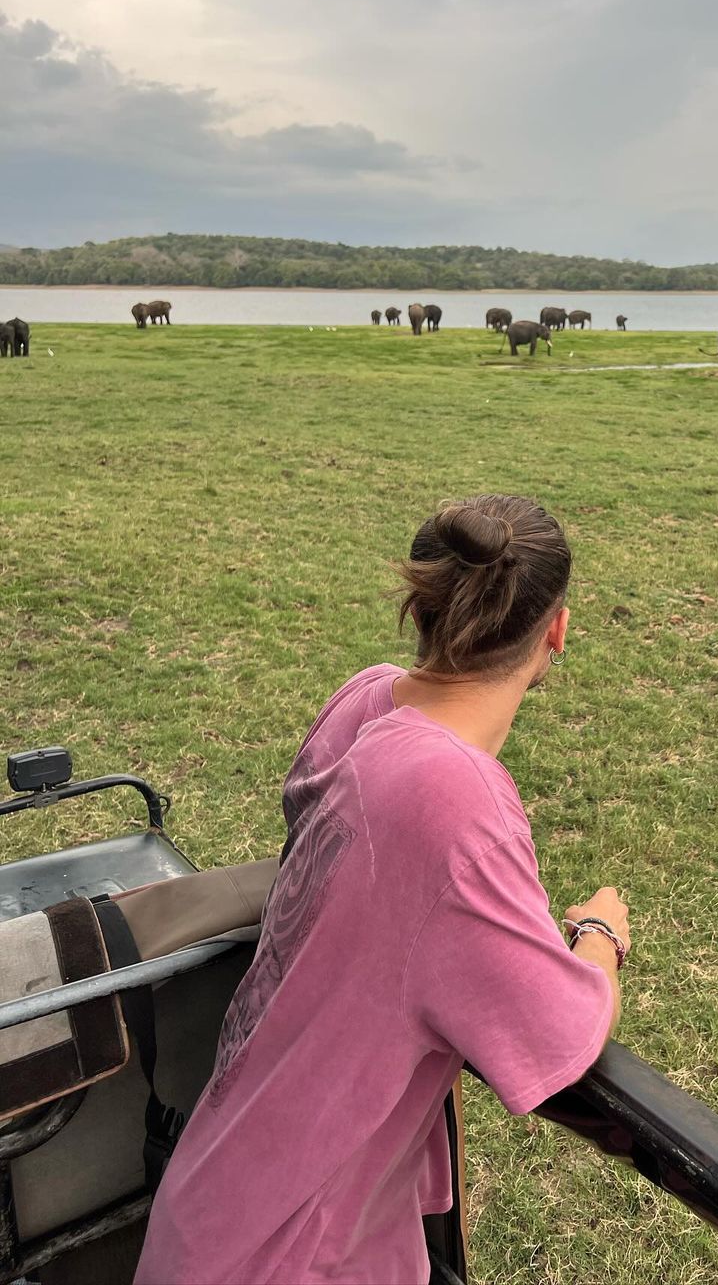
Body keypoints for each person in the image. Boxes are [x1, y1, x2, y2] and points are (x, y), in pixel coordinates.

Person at [135, 494, 631, 1285]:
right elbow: (558, 1036)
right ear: (556, 631)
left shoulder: (366, 698)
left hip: (213, 1209)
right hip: (293, 1255)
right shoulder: (458, 805)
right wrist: (600, 934)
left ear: (425, 610)